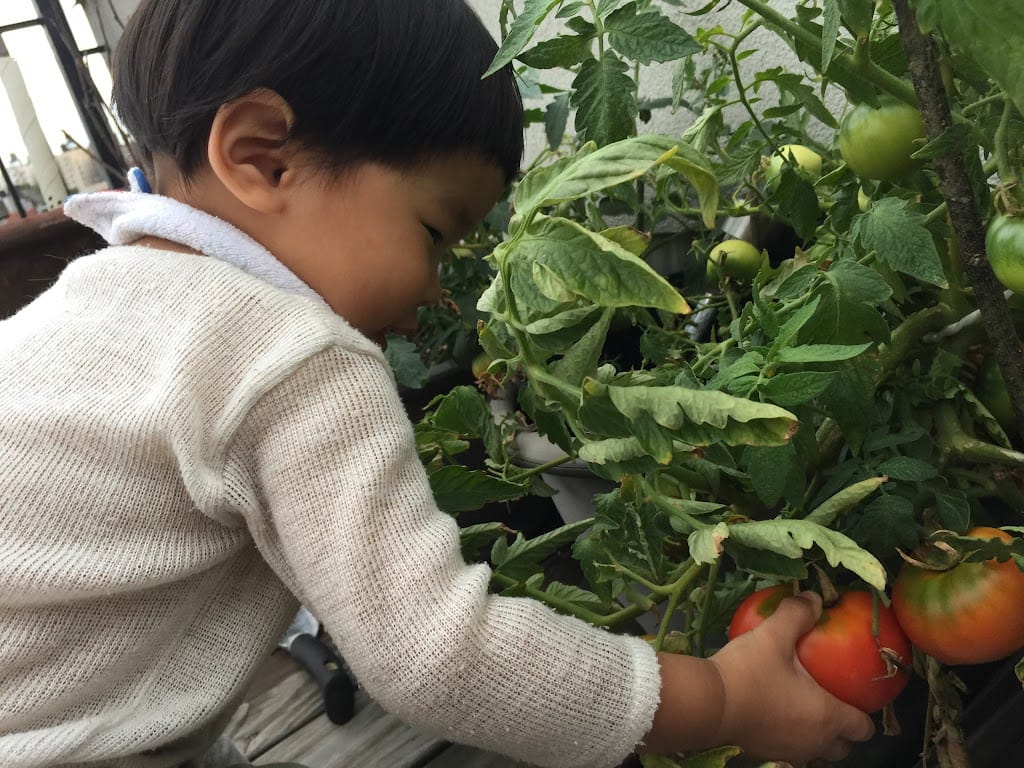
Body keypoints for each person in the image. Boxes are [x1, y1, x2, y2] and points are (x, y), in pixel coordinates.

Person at [0, 0, 876, 766]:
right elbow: (436, 653)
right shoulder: (288, 350)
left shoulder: (82, 305)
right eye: (435, 233)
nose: (435, 289)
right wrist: (719, 703)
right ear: (264, 158)